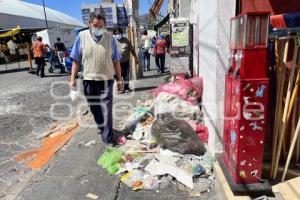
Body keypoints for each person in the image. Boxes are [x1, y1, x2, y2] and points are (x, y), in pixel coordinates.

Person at [69, 13, 123, 144]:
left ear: (105, 26)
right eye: (95, 26)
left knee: (106, 109)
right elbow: (76, 60)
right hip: (88, 79)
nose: (98, 28)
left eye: (101, 26)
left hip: (107, 80)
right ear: (90, 24)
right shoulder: (81, 37)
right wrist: (72, 79)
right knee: (94, 107)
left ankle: (108, 138)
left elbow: (116, 61)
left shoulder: (110, 38)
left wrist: (120, 79)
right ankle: (101, 126)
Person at [113, 27, 139, 93]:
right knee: (118, 76)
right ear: (114, 34)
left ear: (122, 34)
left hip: (125, 61)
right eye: (117, 33)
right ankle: (120, 88)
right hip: (116, 62)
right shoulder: (112, 41)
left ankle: (126, 86)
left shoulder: (126, 40)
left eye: (119, 33)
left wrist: (136, 58)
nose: (118, 34)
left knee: (126, 75)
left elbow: (132, 49)